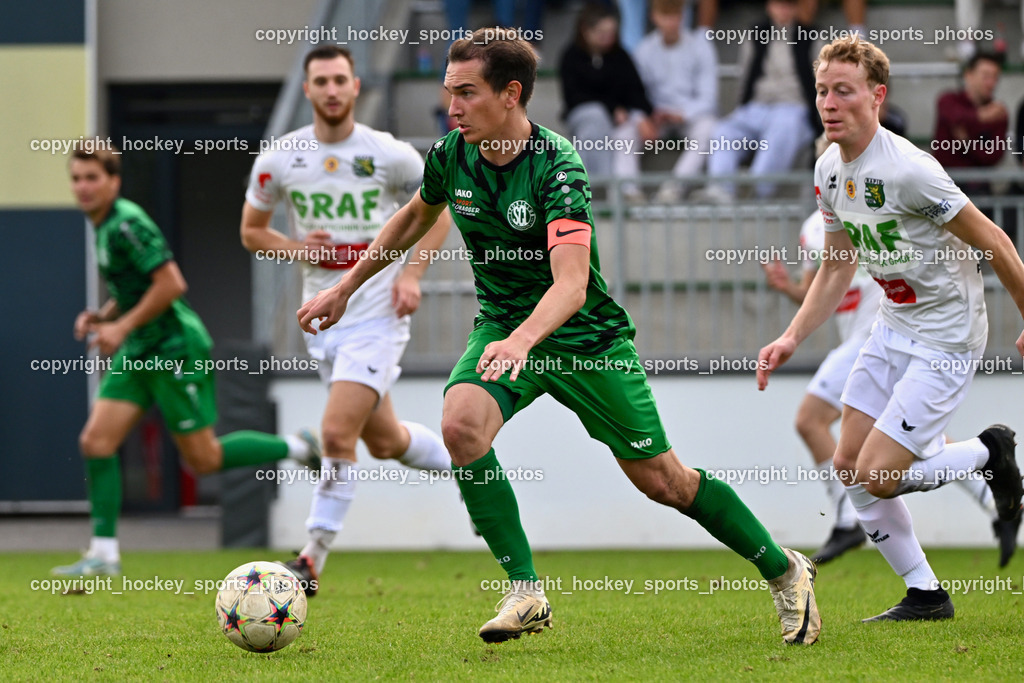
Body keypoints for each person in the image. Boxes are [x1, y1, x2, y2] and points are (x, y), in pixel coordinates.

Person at [298, 27, 821, 645]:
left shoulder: (558, 167)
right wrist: (345, 287)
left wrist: (522, 342)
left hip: (586, 340)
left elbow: (572, 285)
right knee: (461, 426)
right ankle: (525, 592)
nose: (452, 107)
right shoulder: (450, 156)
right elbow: (416, 214)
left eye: (466, 93)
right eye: (447, 93)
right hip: (503, 328)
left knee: (666, 483)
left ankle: (786, 572)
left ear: (511, 94)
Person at [758, 35, 1024, 622]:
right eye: (823, 90)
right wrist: (790, 337)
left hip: (948, 335)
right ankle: (926, 595)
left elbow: (998, 242)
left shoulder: (910, 171)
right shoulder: (830, 169)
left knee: (879, 476)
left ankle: (987, 453)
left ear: (876, 97)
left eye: (844, 91)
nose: (829, 102)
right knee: (850, 469)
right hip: (892, 326)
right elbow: (836, 265)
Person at [240, 45, 454, 597]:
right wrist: (294, 247)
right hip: (323, 316)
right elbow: (251, 232)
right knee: (385, 441)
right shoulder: (280, 158)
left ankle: (310, 559)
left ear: (355, 87)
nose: (332, 90)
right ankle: (472, 467)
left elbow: (441, 207)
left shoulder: (388, 153)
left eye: (340, 80)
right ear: (307, 90)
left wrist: (412, 275)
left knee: (336, 433)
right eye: (321, 82)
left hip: (378, 313)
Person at [54, 144, 321, 577]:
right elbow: (135, 289)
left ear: (113, 182)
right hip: (140, 348)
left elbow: (170, 284)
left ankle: (298, 447)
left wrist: (119, 329)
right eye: (77, 178)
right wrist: (104, 316)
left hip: (176, 347)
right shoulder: (102, 227)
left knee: (204, 459)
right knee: (96, 442)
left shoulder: (127, 224)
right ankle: (104, 554)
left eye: (92, 178)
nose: (83, 186)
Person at [765, 168, 1017, 567]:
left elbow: (984, 241)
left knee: (821, 427)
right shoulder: (822, 213)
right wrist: (789, 303)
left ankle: (850, 520)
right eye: (823, 99)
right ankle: (985, 500)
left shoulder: (891, 190)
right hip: (881, 336)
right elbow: (827, 278)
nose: (830, 109)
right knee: (897, 448)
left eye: (843, 99)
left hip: (883, 334)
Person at [698, 0, 820, 201]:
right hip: (758, 106)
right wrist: (741, 109)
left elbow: (822, 82)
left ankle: (757, 189)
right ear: (769, 6)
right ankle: (721, 189)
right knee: (723, 130)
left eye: (788, 4)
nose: (783, 9)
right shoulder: (755, 34)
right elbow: (745, 75)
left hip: (795, 108)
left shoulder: (813, 37)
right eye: (778, 4)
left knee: (784, 126)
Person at [560, 2, 657, 202]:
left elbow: (637, 94)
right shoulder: (571, 57)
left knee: (623, 134)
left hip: (616, 122)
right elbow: (574, 97)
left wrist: (639, 115)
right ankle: (600, 187)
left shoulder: (621, 57)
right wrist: (611, 108)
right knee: (595, 118)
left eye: (611, 33)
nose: (608, 39)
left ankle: (616, 191)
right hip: (583, 117)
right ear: (586, 31)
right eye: (602, 33)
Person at [633, 0, 718, 202]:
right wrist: (643, 117)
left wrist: (682, 113)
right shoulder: (644, 49)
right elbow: (635, 94)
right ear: (654, 17)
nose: (671, 22)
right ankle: (628, 193)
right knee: (626, 130)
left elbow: (709, 98)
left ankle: (672, 190)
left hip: (689, 115)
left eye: (676, 16)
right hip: (656, 117)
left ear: (683, 15)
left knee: (709, 127)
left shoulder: (701, 46)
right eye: (665, 16)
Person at [931, 52, 1008, 198]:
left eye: (995, 77)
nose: (991, 83)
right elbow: (951, 115)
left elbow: (993, 156)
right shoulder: (948, 100)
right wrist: (981, 116)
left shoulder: (998, 113)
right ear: (969, 75)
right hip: (943, 192)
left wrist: (967, 143)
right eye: (985, 76)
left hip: (979, 193)